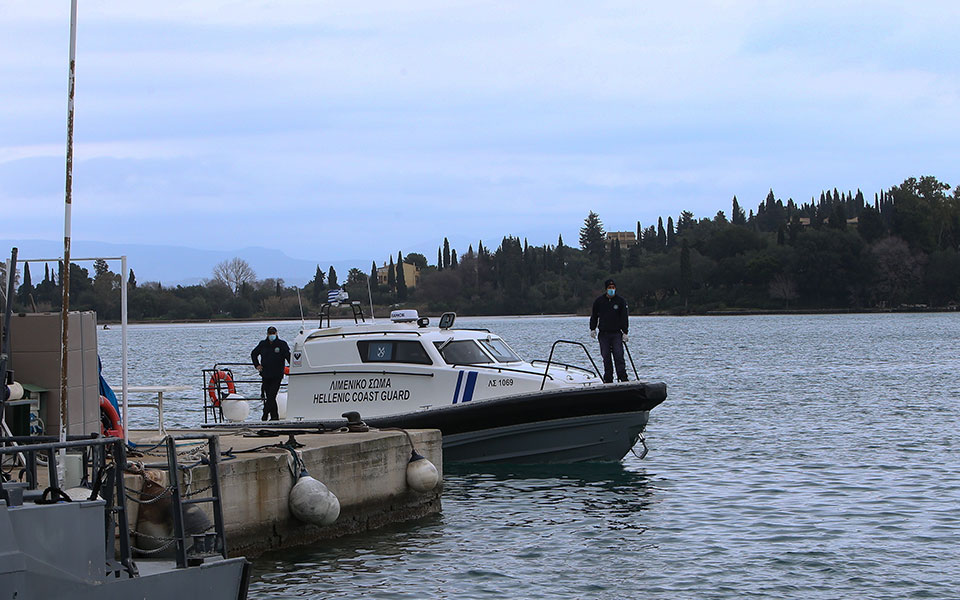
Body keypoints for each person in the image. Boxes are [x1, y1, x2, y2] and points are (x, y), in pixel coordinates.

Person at [589, 279, 629, 383]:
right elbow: (594, 316)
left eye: (613, 288)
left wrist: (625, 332)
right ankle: (608, 378)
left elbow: (624, 317)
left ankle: (622, 377)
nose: (611, 290)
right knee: (606, 356)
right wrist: (592, 328)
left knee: (619, 355)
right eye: (609, 288)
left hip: (616, 333)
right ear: (606, 289)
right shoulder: (599, 301)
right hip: (603, 334)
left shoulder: (620, 301)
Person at [251, 326, 291, 420]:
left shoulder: (282, 344)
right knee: (269, 396)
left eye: (273, 333)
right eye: (270, 333)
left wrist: (294, 367)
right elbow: (254, 354)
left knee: (272, 395)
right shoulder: (263, 344)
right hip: (265, 374)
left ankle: (264, 415)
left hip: (277, 375)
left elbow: (289, 357)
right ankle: (274, 416)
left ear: (276, 333)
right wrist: (257, 365)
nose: (271, 335)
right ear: (267, 334)